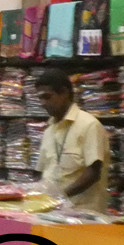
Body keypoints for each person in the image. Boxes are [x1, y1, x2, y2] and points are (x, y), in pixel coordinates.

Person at [35, 69, 110, 210]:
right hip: (51, 214)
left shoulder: (89, 125)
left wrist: (60, 197)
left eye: (47, 97)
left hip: (85, 217)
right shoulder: (48, 131)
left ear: (64, 93)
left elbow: (93, 173)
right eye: (39, 98)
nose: (42, 103)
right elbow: (43, 174)